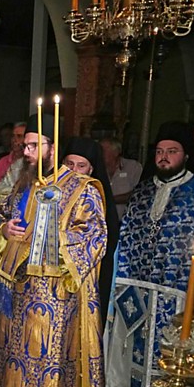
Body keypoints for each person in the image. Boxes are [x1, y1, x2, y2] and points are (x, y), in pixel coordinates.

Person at [0, 114, 108, 387]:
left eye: (34, 145)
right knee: (13, 353)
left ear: (52, 148)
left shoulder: (81, 188)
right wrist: (4, 230)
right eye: (24, 145)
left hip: (55, 292)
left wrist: (53, 237)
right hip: (17, 283)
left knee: (46, 357)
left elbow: (95, 236)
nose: (26, 152)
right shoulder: (24, 183)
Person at [104, 121, 194, 387]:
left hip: (174, 290)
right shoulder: (143, 189)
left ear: (185, 156)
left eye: (172, 151)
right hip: (134, 283)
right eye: (160, 151)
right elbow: (127, 234)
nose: (164, 157)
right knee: (131, 340)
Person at [62, 137, 120, 326]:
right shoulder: (52, 190)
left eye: (81, 166)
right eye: (69, 164)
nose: (74, 171)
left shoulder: (91, 193)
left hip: (80, 274)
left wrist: (57, 241)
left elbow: (92, 238)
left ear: (91, 169)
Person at [100, 137, 141, 219]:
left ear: (116, 152)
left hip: (126, 220)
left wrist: (109, 200)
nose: (99, 153)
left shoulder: (133, 167)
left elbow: (138, 194)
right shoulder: (96, 169)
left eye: (103, 150)